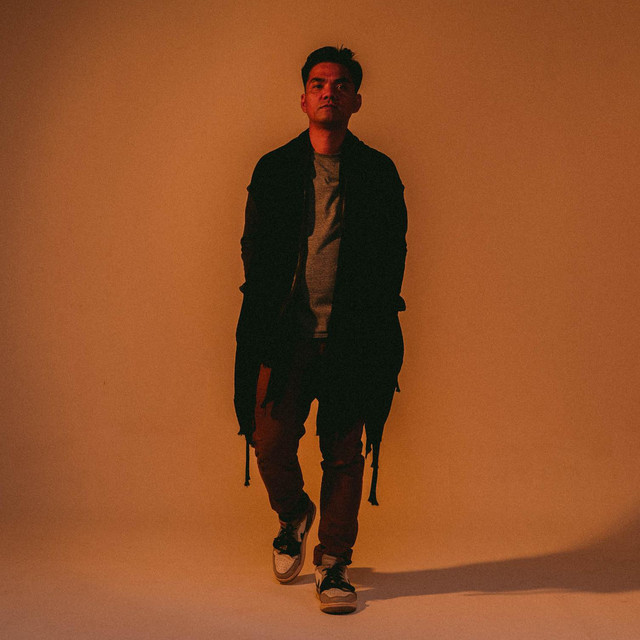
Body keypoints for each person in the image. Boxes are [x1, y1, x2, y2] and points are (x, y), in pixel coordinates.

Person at [234, 46, 407, 614]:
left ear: (355, 100)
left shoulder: (378, 173)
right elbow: (253, 245)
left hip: (353, 340)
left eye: (340, 84)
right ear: (304, 99)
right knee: (269, 441)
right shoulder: (274, 168)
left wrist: (373, 322)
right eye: (318, 83)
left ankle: (334, 561)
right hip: (284, 337)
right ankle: (293, 515)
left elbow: (394, 252)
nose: (329, 91)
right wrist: (267, 312)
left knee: (344, 453)